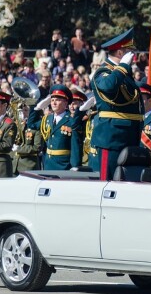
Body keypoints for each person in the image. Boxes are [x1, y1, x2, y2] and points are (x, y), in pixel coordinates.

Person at [90, 28, 143, 180]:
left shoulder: (123, 74)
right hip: (111, 137)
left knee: (125, 181)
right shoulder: (103, 72)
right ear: (121, 53)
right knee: (108, 181)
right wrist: (123, 66)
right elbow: (108, 86)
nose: (132, 55)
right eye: (129, 51)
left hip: (128, 135)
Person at [30, 85, 83, 171]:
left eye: (58, 100)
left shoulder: (71, 121)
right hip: (48, 163)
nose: (54, 103)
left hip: (64, 165)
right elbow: (31, 124)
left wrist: (75, 165)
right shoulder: (47, 119)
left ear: (66, 103)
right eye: (52, 100)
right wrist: (36, 108)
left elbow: (75, 146)